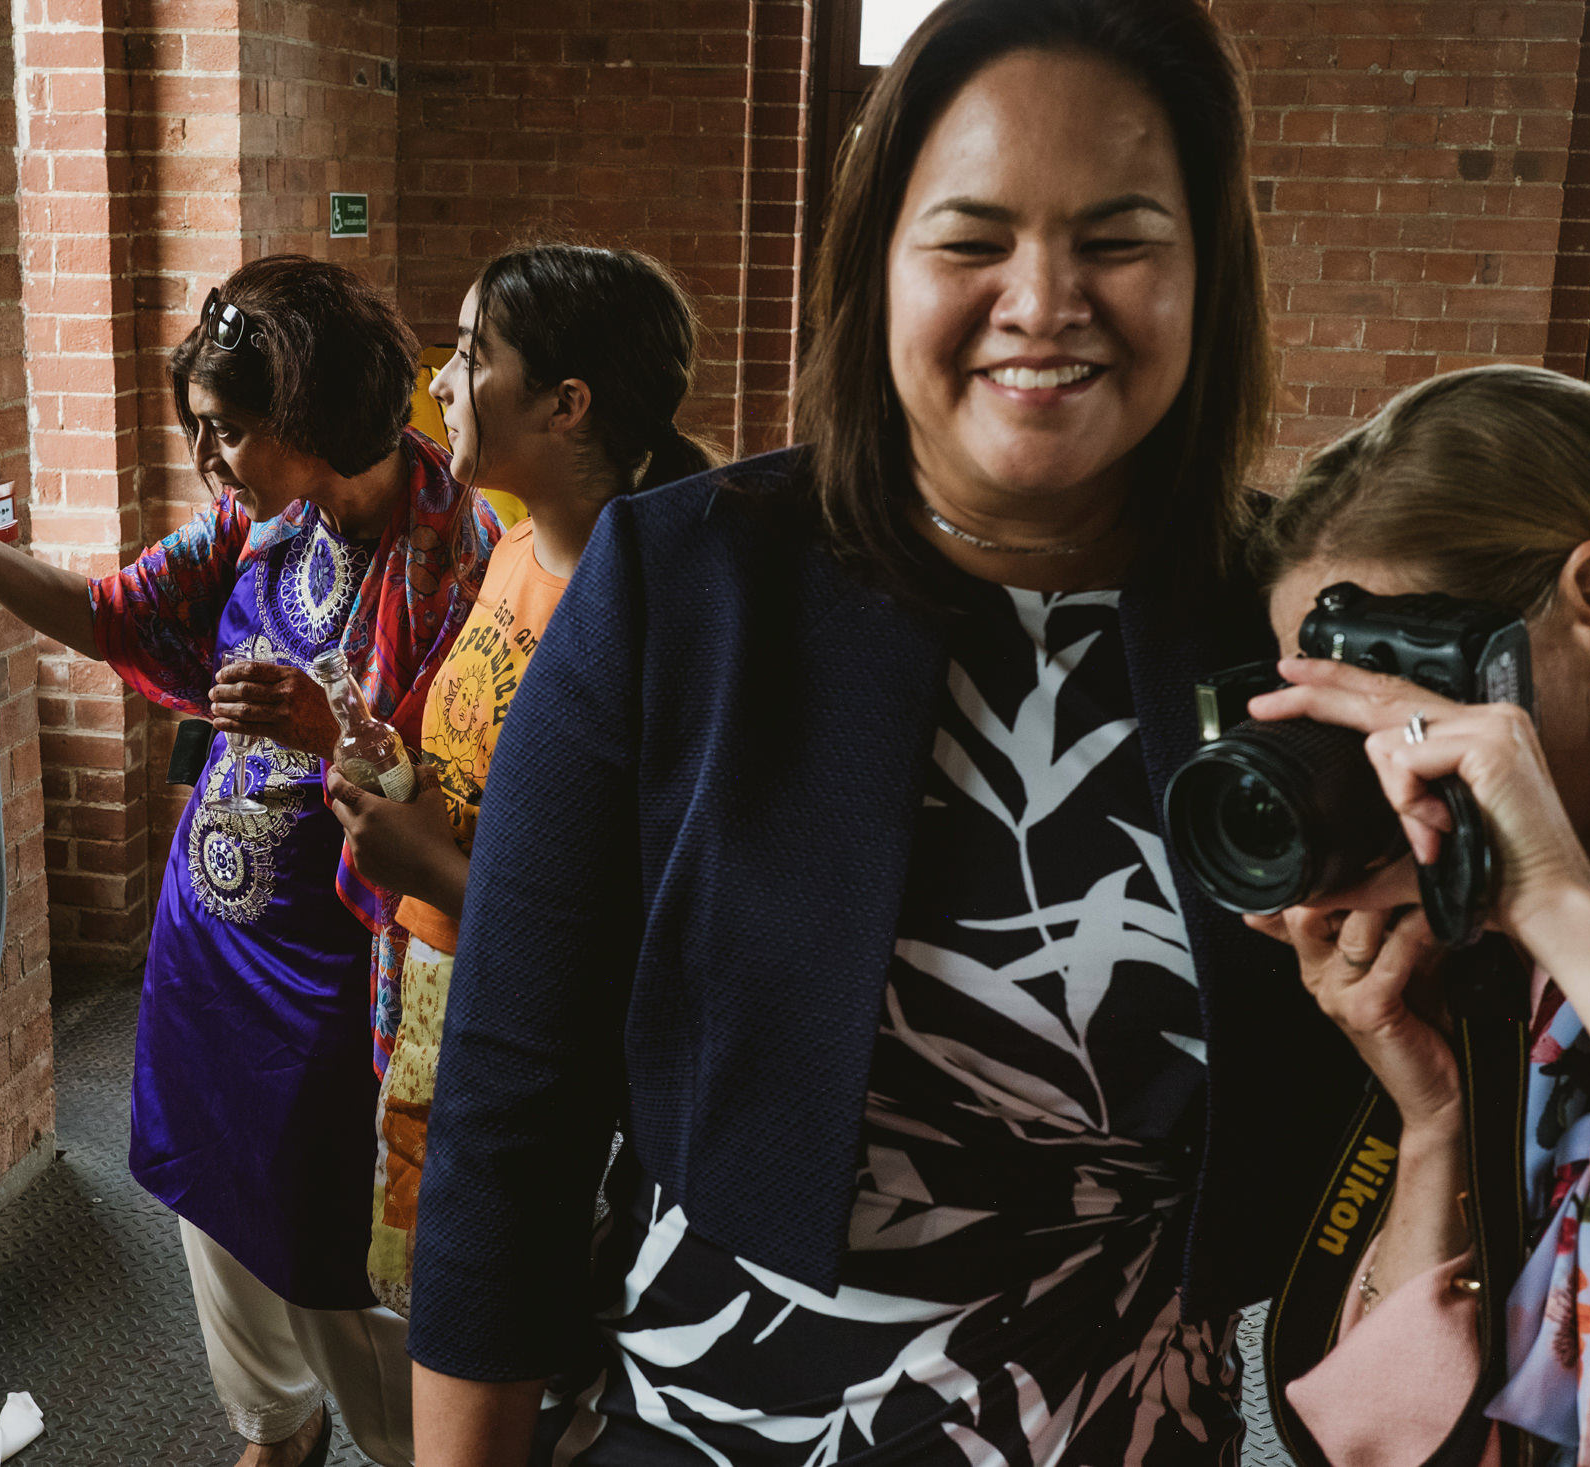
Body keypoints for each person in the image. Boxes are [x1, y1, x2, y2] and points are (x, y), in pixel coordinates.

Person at [405, 2, 1367, 1463]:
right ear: (879, 269)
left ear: (1207, 275)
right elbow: (511, 1107)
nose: (1044, 299)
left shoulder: (1291, 628)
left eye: (1117, 238)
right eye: (973, 239)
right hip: (722, 1419)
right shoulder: (688, 584)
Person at [0, 253, 500, 1467]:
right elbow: (108, 615)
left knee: (334, 1246)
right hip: (208, 972)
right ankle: (272, 1423)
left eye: (231, 432)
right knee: (221, 1217)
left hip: (334, 993)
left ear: (309, 418)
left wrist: (324, 727)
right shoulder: (253, 532)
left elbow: (472, 793)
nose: (210, 460)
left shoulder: (463, 554)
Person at [1243, 365, 1590, 1467]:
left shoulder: (1566, 917)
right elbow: (1375, 1440)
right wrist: (1434, 1125)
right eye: (1334, 714)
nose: (1383, 757)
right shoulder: (1523, 961)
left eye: (1402, 693)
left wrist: (1560, 906)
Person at [326, 243, 714, 1316]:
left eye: (466, 354)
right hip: (451, 981)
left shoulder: (651, 610)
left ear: (566, 405)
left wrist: (432, 867)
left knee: (529, 1320)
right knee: (450, 1301)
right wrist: (396, 779)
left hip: (555, 1031)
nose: (437, 382)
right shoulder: (510, 552)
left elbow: (639, 912)